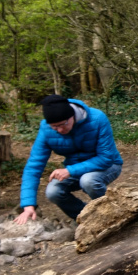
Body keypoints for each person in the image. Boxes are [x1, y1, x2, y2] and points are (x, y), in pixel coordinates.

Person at [15, 94, 123, 225]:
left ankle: (115, 214)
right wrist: (28, 206)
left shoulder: (97, 118)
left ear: (72, 116)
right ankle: (86, 219)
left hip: (108, 165)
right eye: (54, 127)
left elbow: (106, 158)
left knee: (88, 181)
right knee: (53, 191)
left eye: (63, 124)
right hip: (73, 169)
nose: (60, 129)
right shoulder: (46, 129)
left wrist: (70, 170)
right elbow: (34, 166)